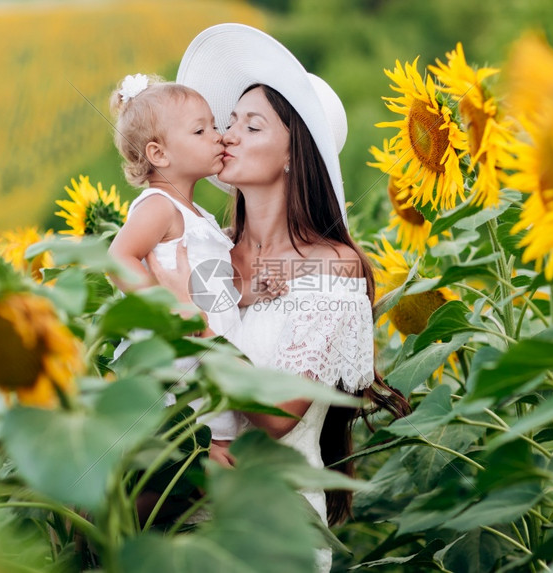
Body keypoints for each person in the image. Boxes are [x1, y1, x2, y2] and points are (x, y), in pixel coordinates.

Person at [149, 24, 411, 571]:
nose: (228, 135)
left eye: (251, 125)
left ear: (295, 153)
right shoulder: (207, 249)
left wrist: (194, 323)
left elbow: (278, 414)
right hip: (173, 519)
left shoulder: (331, 268)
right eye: (226, 124)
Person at [106, 72, 263, 464]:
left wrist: (249, 292)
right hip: (171, 369)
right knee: (173, 451)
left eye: (214, 125)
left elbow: (210, 286)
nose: (218, 136)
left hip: (201, 366)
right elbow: (117, 258)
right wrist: (165, 304)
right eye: (200, 130)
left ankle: (206, 450)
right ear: (159, 154)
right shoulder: (159, 206)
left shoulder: (198, 215)